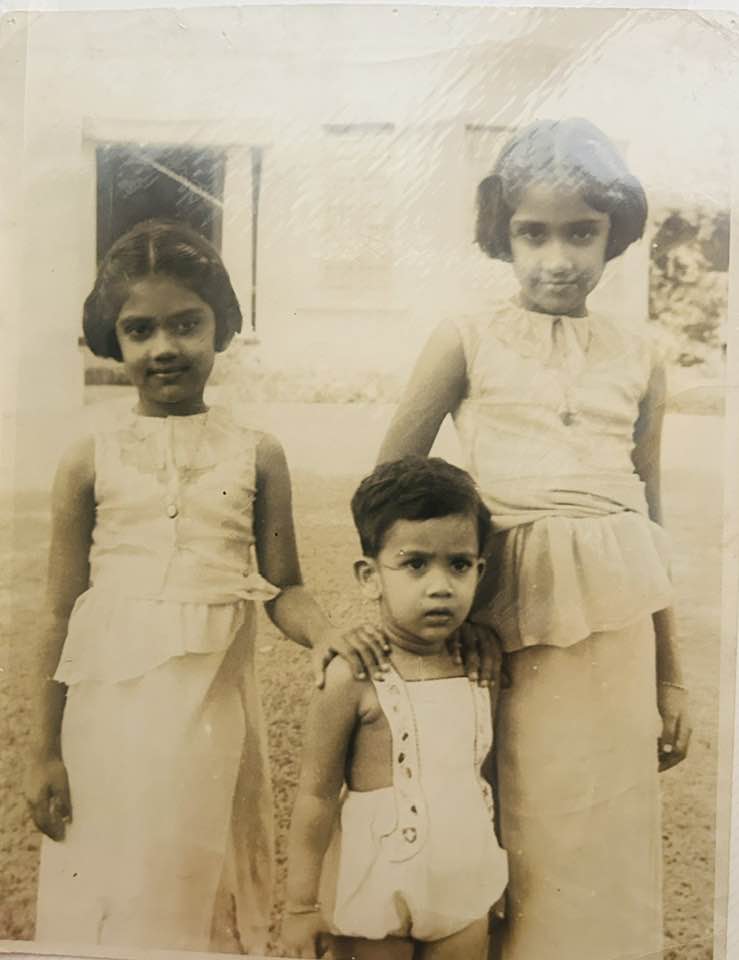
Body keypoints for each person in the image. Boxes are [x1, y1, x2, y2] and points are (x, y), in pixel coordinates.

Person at [24, 219, 392, 954]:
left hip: (211, 709)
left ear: (220, 324)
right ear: (112, 339)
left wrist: (325, 632)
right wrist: (44, 752)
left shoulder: (256, 453)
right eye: (139, 330)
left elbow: (284, 586)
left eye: (186, 324)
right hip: (108, 713)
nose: (164, 347)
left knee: (193, 869)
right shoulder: (88, 457)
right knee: (113, 869)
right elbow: (60, 612)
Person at [376, 118, 692, 960]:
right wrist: (408, 626)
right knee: (519, 806)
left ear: (613, 233)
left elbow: (647, 518)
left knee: (609, 812)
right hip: (506, 613)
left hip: (617, 621)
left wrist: (670, 676)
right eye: (533, 234)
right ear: (502, 233)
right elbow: (390, 490)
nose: (558, 258)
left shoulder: (640, 356)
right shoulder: (466, 339)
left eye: (581, 233)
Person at [283, 456, 508, 960]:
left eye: (459, 565)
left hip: (462, 874)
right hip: (377, 881)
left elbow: (484, 772)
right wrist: (300, 906)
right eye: (415, 564)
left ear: (479, 570)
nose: (440, 586)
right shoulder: (352, 676)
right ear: (370, 576)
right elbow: (315, 795)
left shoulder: (479, 665)